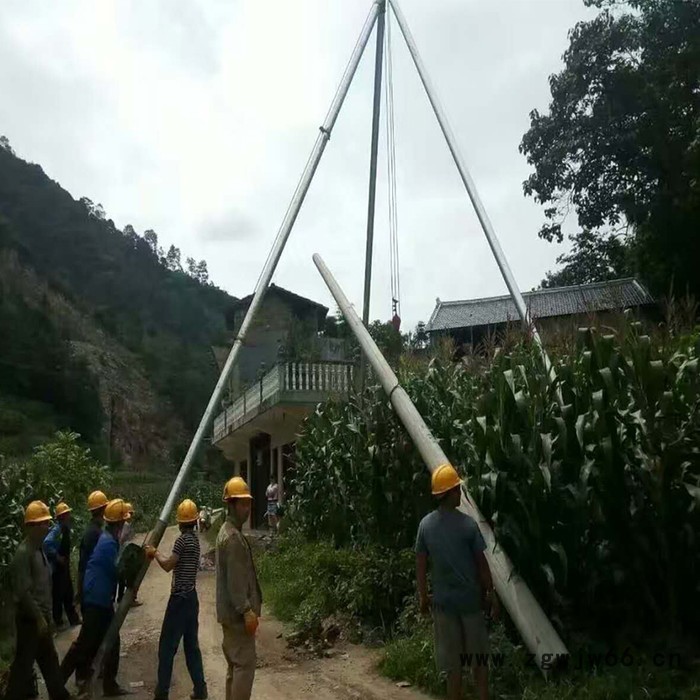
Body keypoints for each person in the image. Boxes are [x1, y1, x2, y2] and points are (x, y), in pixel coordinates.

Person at [415, 464, 499, 700]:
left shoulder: (425, 526)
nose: (461, 493)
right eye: (457, 489)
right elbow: (482, 565)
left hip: (443, 606)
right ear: (449, 493)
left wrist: (423, 597)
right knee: (479, 662)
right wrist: (491, 595)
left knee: (453, 667)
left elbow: (420, 564)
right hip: (470, 604)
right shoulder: (468, 526)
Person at [61, 499, 137, 697]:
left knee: (111, 641)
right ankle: (58, 683)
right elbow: (117, 572)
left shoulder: (107, 539)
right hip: (96, 599)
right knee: (85, 643)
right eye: (124, 522)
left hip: (99, 598)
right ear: (119, 524)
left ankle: (109, 685)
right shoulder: (108, 544)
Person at [4, 501, 71, 700]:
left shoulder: (38, 549)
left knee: (50, 661)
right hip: (29, 622)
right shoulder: (23, 554)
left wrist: (46, 618)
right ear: (30, 527)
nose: (46, 527)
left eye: (46, 523)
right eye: (41, 523)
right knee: (23, 667)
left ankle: (60, 695)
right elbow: (23, 593)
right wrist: (40, 618)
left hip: (40, 620)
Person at [145, 499, 207, 700]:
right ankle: (200, 690)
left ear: (180, 523)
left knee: (166, 648)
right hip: (191, 598)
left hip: (179, 600)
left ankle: (161, 693)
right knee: (191, 647)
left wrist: (155, 553)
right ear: (195, 520)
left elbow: (168, 564)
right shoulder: (195, 541)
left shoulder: (182, 541)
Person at [216, 477, 262, 700]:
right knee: (244, 666)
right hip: (237, 617)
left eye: (248, 503)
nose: (247, 509)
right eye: (242, 504)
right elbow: (235, 582)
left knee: (235, 668)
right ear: (231, 505)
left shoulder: (227, 531)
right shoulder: (232, 538)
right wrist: (246, 610)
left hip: (230, 616)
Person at [43, 502, 81, 630]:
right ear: (61, 517)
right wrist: (57, 557)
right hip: (57, 568)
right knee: (58, 595)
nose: (69, 516)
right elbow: (46, 543)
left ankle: (73, 619)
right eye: (66, 514)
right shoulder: (57, 530)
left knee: (68, 592)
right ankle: (58, 622)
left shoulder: (65, 529)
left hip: (64, 566)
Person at [76, 490, 109, 613]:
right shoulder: (96, 534)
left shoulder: (91, 531)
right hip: (93, 588)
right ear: (103, 509)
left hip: (89, 587)